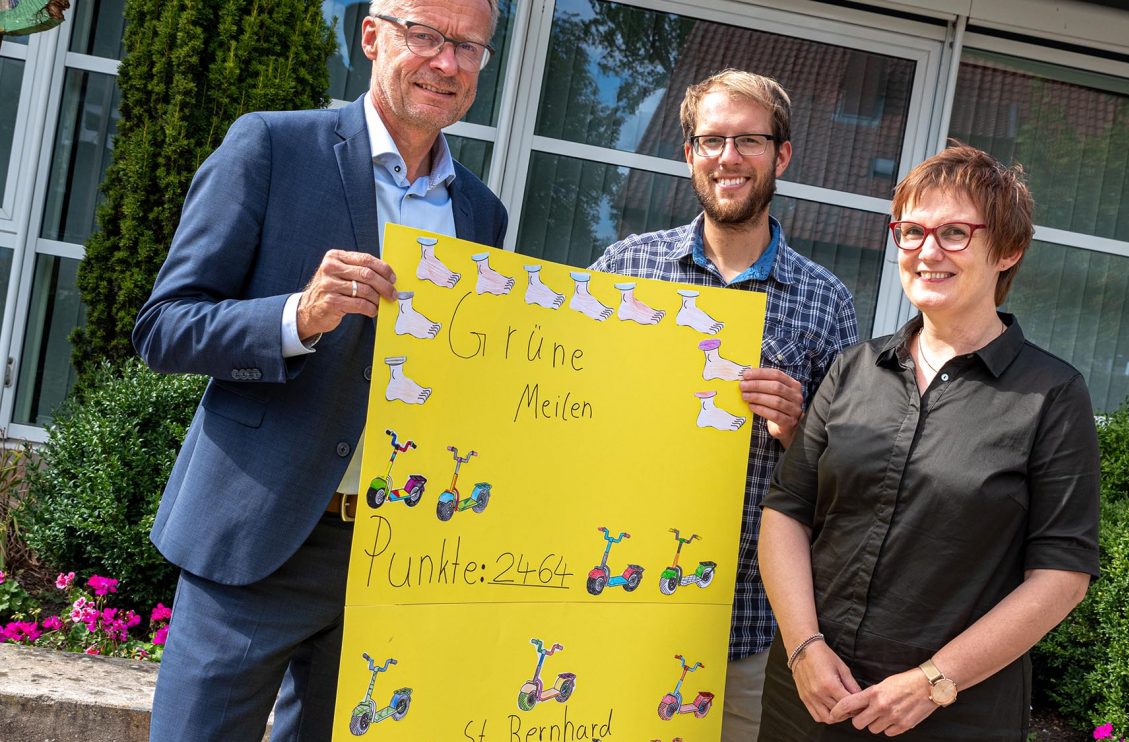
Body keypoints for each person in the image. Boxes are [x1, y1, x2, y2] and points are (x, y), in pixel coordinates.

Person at [132, 1, 507, 739]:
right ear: (372, 36)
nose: (446, 62)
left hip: (391, 556)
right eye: (425, 35)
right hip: (255, 538)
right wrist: (296, 317)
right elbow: (163, 327)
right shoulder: (272, 145)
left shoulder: (482, 215)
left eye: (468, 47)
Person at [758, 144, 1100, 740]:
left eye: (955, 233)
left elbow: (1061, 576)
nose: (927, 251)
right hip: (811, 699)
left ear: (1009, 249)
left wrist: (934, 680)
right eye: (911, 232)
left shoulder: (1052, 395)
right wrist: (803, 647)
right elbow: (787, 513)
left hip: (951, 715)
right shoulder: (852, 368)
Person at [590, 69, 859, 741]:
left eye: (749, 140)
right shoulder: (625, 271)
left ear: (782, 155)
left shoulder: (826, 302)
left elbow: (848, 484)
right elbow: (568, 413)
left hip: (747, 630)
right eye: (712, 140)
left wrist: (799, 428)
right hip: (615, 606)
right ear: (689, 154)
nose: (729, 157)